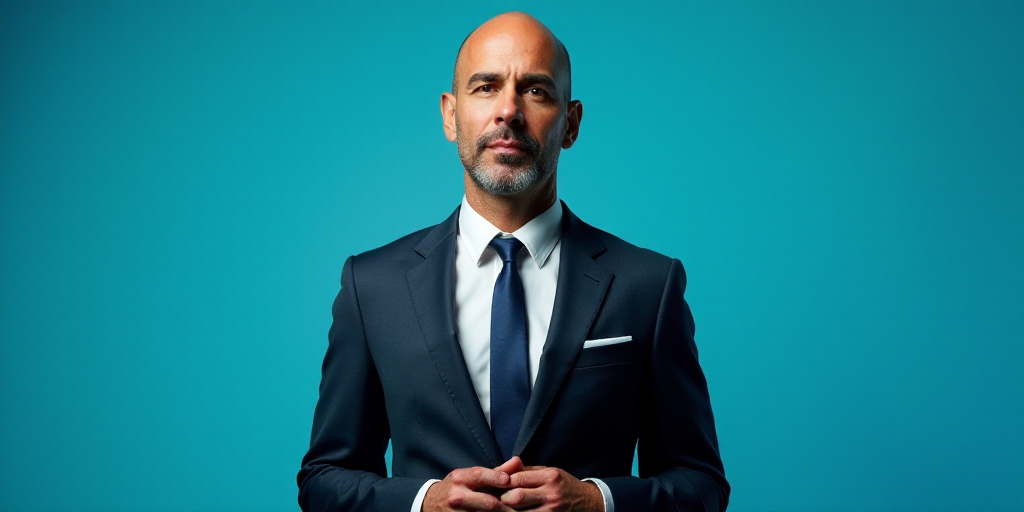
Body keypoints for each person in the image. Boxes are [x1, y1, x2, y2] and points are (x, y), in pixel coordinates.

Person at [297, 11, 729, 512]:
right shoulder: (372, 287)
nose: (508, 111)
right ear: (450, 115)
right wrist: (423, 502)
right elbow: (323, 481)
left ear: (571, 123)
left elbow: (702, 484)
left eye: (536, 90)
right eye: (485, 87)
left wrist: (598, 501)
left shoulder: (648, 285)